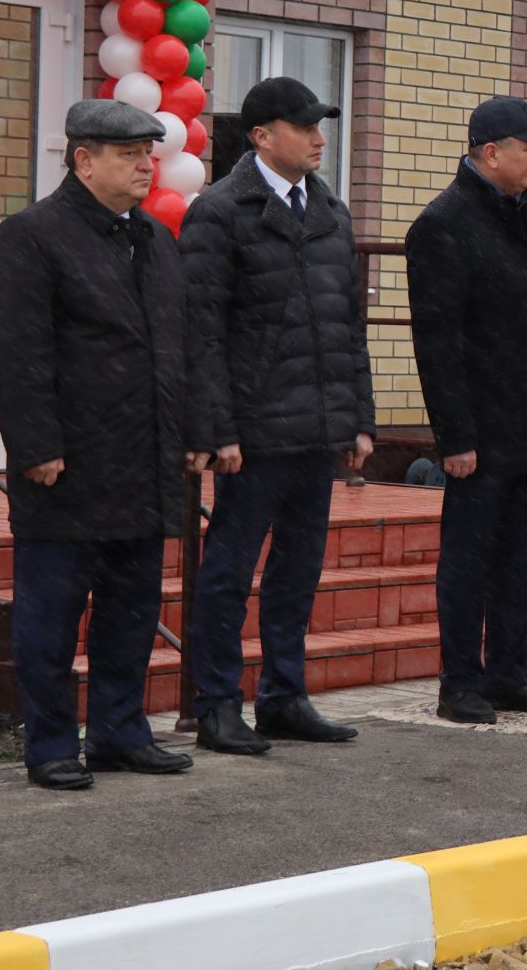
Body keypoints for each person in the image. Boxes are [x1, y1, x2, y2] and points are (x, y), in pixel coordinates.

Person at [0, 100, 199, 790]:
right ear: (83, 159)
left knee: (132, 611)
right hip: (67, 467)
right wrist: (36, 446)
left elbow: (178, 350)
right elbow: (15, 353)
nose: (146, 165)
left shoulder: (155, 240)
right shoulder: (31, 236)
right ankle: (49, 744)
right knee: (50, 618)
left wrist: (190, 433)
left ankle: (119, 733)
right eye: (130, 153)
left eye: (150, 153)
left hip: (144, 461)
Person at [179, 77, 375, 755]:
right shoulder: (220, 211)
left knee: (298, 571)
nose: (321, 138)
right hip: (254, 430)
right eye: (305, 126)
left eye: (322, 125)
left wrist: (360, 418)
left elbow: (348, 325)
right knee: (230, 571)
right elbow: (199, 331)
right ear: (262, 136)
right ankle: (216, 705)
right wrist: (216, 428)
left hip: (318, 427)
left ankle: (285, 697)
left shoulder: (330, 209)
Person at [406, 96, 527, 724]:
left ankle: (510, 671)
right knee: (470, 560)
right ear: (489, 153)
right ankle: (461, 682)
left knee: (523, 558)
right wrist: (455, 436)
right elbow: (438, 340)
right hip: (481, 432)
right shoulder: (444, 223)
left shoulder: (525, 215)